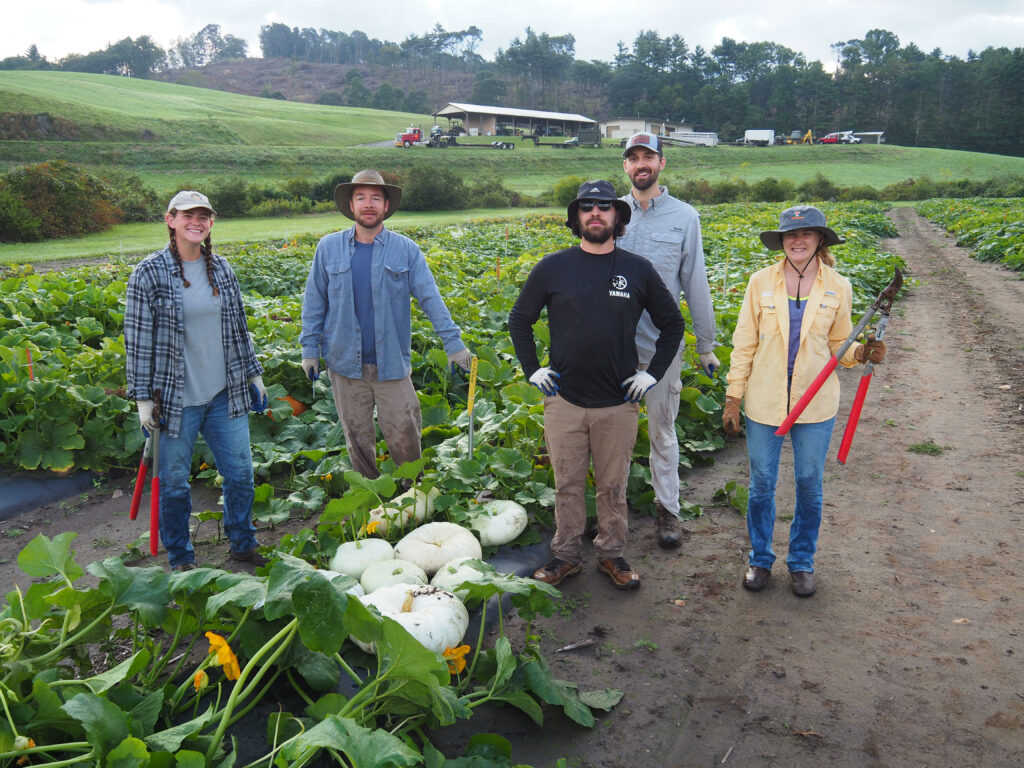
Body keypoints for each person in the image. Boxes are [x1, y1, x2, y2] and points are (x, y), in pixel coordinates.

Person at [509, 180, 685, 590]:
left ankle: (612, 554)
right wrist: (531, 367)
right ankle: (565, 555)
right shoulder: (553, 267)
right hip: (564, 399)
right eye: (587, 207)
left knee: (613, 485)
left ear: (617, 217)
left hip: (618, 401)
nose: (595, 213)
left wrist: (652, 373)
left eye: (604, 206)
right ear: (576, 219)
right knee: (567, 484)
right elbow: (520, 319)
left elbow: (673, 323)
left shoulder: (637, 269)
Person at [722, 205, 886, 597]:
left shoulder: (838, 286)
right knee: (761, 484)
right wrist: (733, 396)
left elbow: (839, 345)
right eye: (790, 235)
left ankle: (801, 563)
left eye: (807, 234)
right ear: (781, 242)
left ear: (820, 241)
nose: (798, 240)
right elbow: (744, 343)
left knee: (809, 484)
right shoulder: (759, 282)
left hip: (816, 405)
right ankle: (760, 559)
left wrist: (861, 354)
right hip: (764, 401)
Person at [124, 190, 268, 572]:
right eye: (188, 215)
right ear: (170, 220)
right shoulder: (149, 273)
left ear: (211, 223)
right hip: (174, 400)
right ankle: (181, 557)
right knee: (173, 484)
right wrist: (142, 400)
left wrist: (253, 374)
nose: (196, 222)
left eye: (203, 216)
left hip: (224, 393)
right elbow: (137, 341)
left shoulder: (220, 268)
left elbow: (238, 327)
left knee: (240, 475)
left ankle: (242, 542)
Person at [300, 169, 472, 479]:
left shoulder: (406, 250)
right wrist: (309, 349)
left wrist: (454, 344)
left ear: (386, 206)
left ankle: (412, 493)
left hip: (391, 363)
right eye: (361, 198)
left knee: (405, 432)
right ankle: (372, 498)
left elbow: (430, 299)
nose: (368, 204)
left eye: (375, 198)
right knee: (357, 438)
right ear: (351, 206)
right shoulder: (328, 248)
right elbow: (314, 301)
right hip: (344, 365)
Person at [617, 131, 719, 549]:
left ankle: (668, 512)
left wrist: (706, 344)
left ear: (662, 163)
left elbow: (696, 282)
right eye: (633, 157)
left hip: (662, 345)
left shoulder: (684, 217)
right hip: (613, 346)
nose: (641, 164)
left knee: (662, 430)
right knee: (614, 435)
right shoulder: (610, 212)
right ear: (625, 166)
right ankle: (612, 513)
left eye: (649, 157)